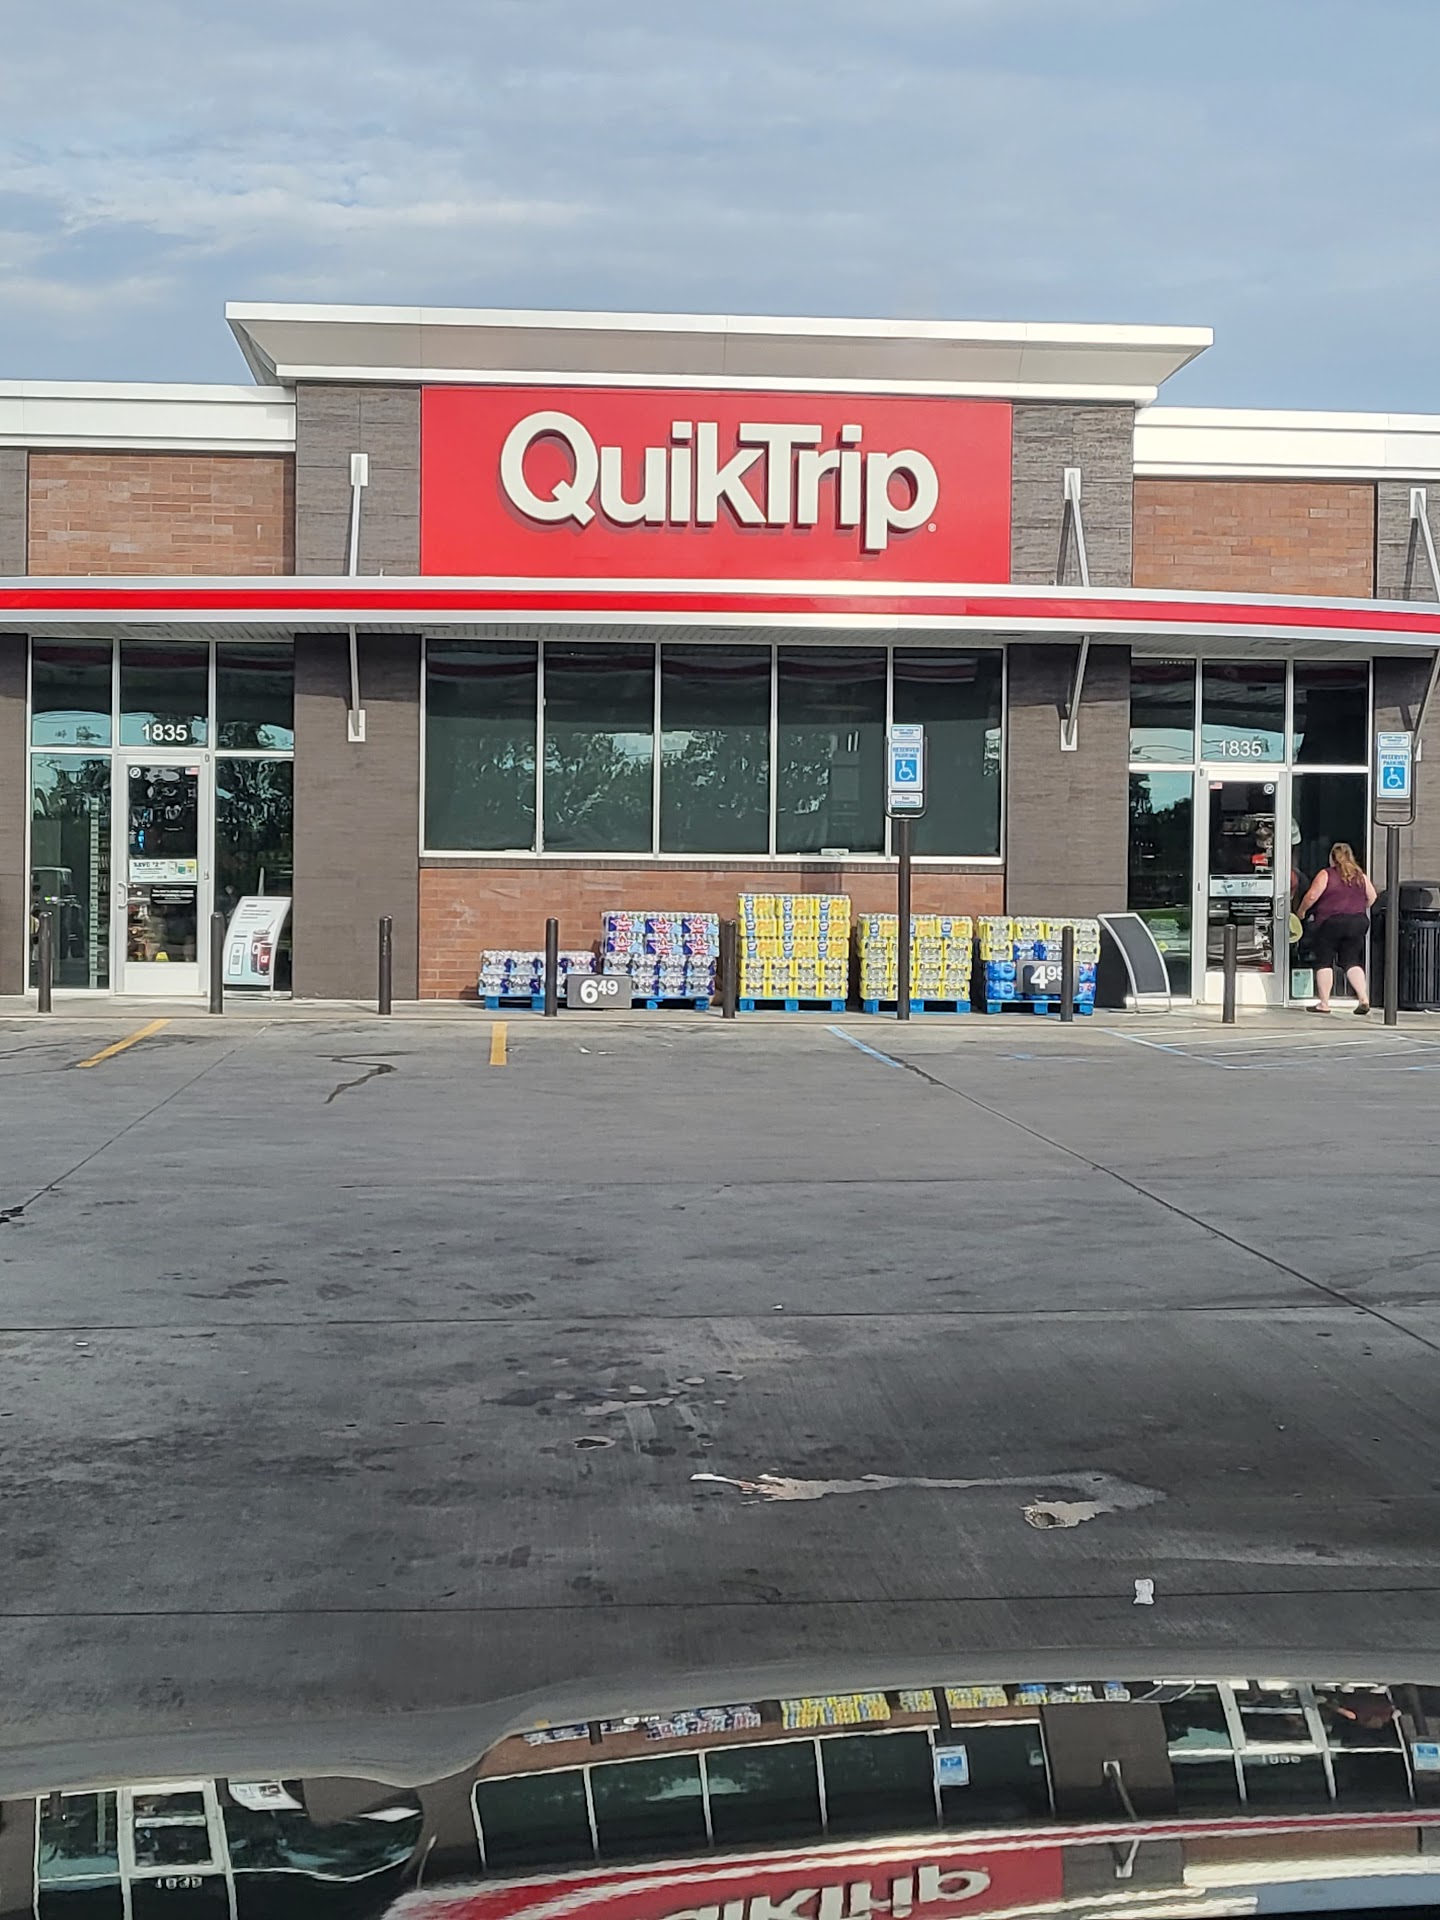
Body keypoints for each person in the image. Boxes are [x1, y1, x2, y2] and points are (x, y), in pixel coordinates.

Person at [1295, 841, 1377, 1014]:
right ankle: (1363, 998)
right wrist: (1358, 908)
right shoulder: (1360, 876)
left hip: (1331, 923)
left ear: (1332, 858)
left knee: (1324, 961)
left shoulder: (1327, 874)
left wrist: (1301, 911)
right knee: (1351, 961)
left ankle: (1324, 1003)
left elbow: (1312, 896)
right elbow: (1372, 897)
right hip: (1358, 922)